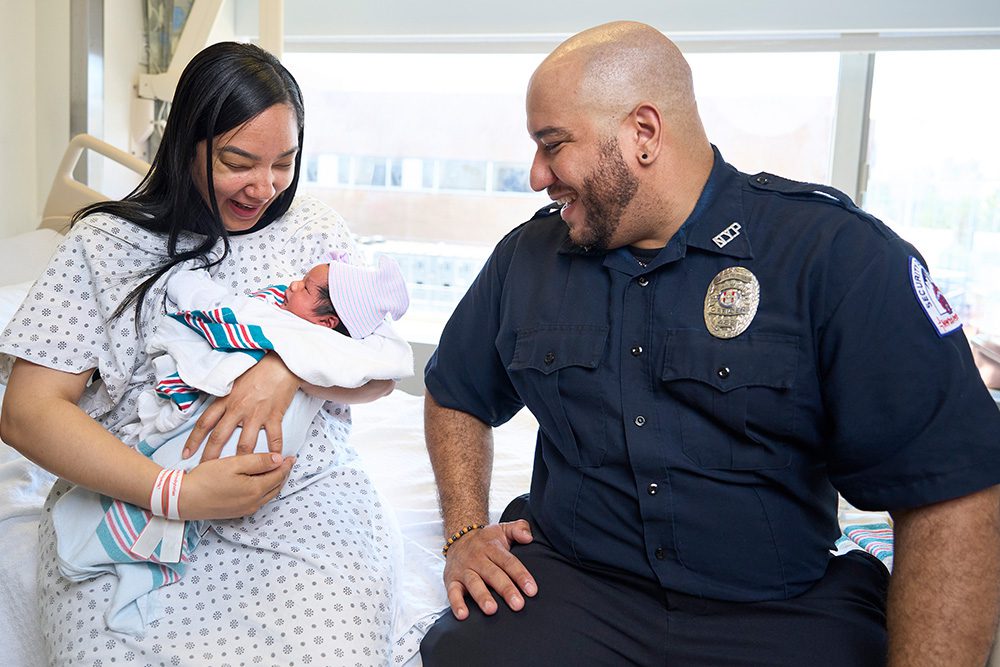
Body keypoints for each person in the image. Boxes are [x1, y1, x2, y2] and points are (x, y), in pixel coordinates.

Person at [420, 21, 1000, 667]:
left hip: (778, 609)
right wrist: (466, 531)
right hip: (579, 589)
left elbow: (954, 488)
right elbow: (454, 391)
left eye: (553, 145)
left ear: (643, 133)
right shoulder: (527, 259)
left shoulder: (836, 256)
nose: (536, 176)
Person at [0, 41, 435, 665]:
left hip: (303, 500)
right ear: (187, 146)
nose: (265, 186)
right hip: (137, 496)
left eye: (284, 162)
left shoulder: (314, 232)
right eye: (239, 161)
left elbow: (379, 377)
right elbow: (26, 411)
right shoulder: (106, 245)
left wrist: (287, 368)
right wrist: (173, 492)